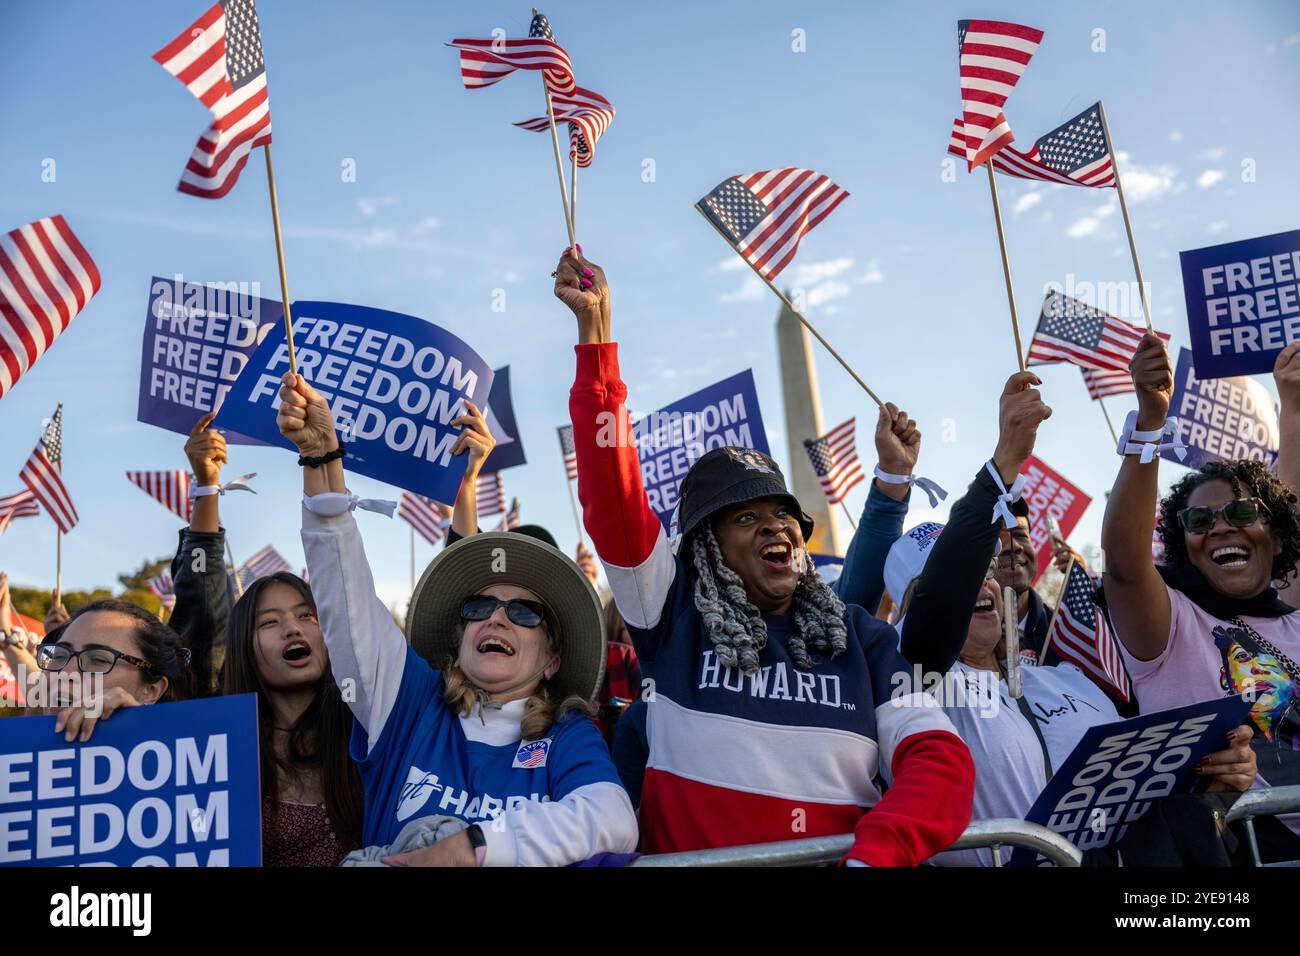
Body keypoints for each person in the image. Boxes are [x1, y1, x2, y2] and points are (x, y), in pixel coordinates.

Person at [554, 246, 974, 864]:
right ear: (705, 550)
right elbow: (614, 502)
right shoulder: (671, 619)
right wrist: (596, 341)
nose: (776, 528)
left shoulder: (863, 638)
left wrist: (873, 856)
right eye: (747, 517)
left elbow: (939, 759)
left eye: (783, 514)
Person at [277, 370, 639, 866]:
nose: (497, 618)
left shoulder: (565, 734)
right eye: (478, 607)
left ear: (552, 659)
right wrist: (321, 459)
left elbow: (612, 820)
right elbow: (346, 601)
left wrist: (476, 849)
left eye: (524, 612)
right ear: (461, 633)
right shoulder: (407, 704)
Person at [1101, 332, 1300, 859]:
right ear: (1183, 543)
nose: (1220, 528)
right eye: (1198, 520)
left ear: (1276, 536)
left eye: (1240, 513)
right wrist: (1150, 424)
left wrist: (1292, 404)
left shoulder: (1295, 622)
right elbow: (1122, 566)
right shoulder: (1171, 626)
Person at [224, 571, 365, 866]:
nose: (292, 629)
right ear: (243, 649)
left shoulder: (369, 726)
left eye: (306, 615)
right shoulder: (222, 753)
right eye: (269, 622)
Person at [33, 599, 193, 741]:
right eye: (59, 656)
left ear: (151, 691)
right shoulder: (10, 764)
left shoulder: (186, 767)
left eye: (98, 660)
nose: (65, 673)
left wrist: (138, 734)